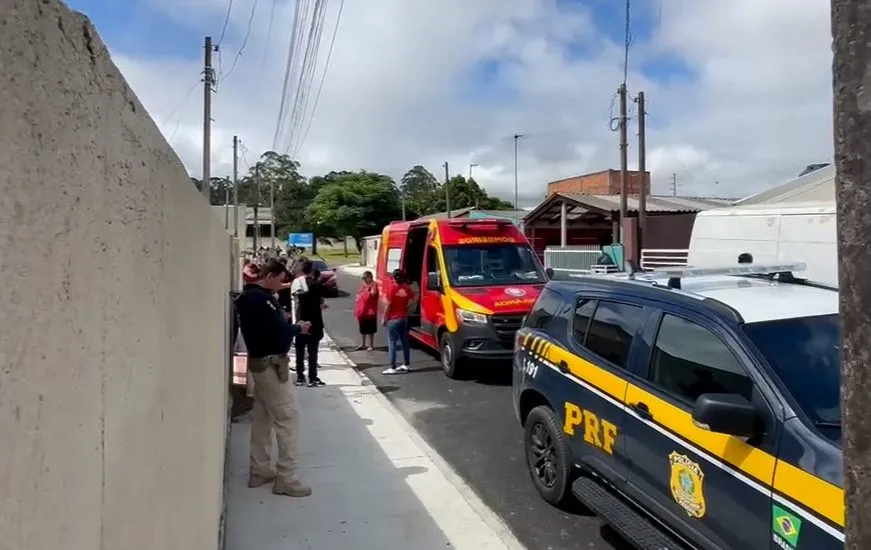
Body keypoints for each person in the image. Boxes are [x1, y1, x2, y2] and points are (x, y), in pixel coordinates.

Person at [234, 259, 312, 497]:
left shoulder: (251, 298)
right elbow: (278, 336)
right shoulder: (261, 300)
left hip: (260, 364)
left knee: (263, 418)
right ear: (269, 276)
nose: (282, 284)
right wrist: (298, 328)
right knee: (288, 420)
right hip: (270, 366)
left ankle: (260, 470)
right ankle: (286, 478)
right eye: (280, 279)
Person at [295, 260, 327, 387]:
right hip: (315, 322)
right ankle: (312, 377)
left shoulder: (297, 285)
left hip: (301, 321)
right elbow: (327, 294)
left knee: (300, 351)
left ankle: (300, 377)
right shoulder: (316, 286)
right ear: (312, 271)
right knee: (312, 352)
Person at [382, 269, 414, 375]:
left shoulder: (392, 288)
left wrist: (384, 318)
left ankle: (392, 367)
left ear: (393, 278)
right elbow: (414, 298)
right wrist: (407, 307)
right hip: (403, 317)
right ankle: (406, 364)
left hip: (393, 318)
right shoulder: (406, 288)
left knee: (392, 343)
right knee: (405, 341)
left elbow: (389, 305)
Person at [354, 271, 379, 350]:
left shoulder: (374, 284)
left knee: (370, 329)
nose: (364, 280)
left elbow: (373, 294)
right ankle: (363, 344)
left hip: (370, 310)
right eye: (363, 279)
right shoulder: (363, 285)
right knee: (362, 328)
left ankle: (371, 345)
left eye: (365, 278)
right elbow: (359, 294)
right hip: (362, 310)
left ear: (370, 277)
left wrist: (366, 292)